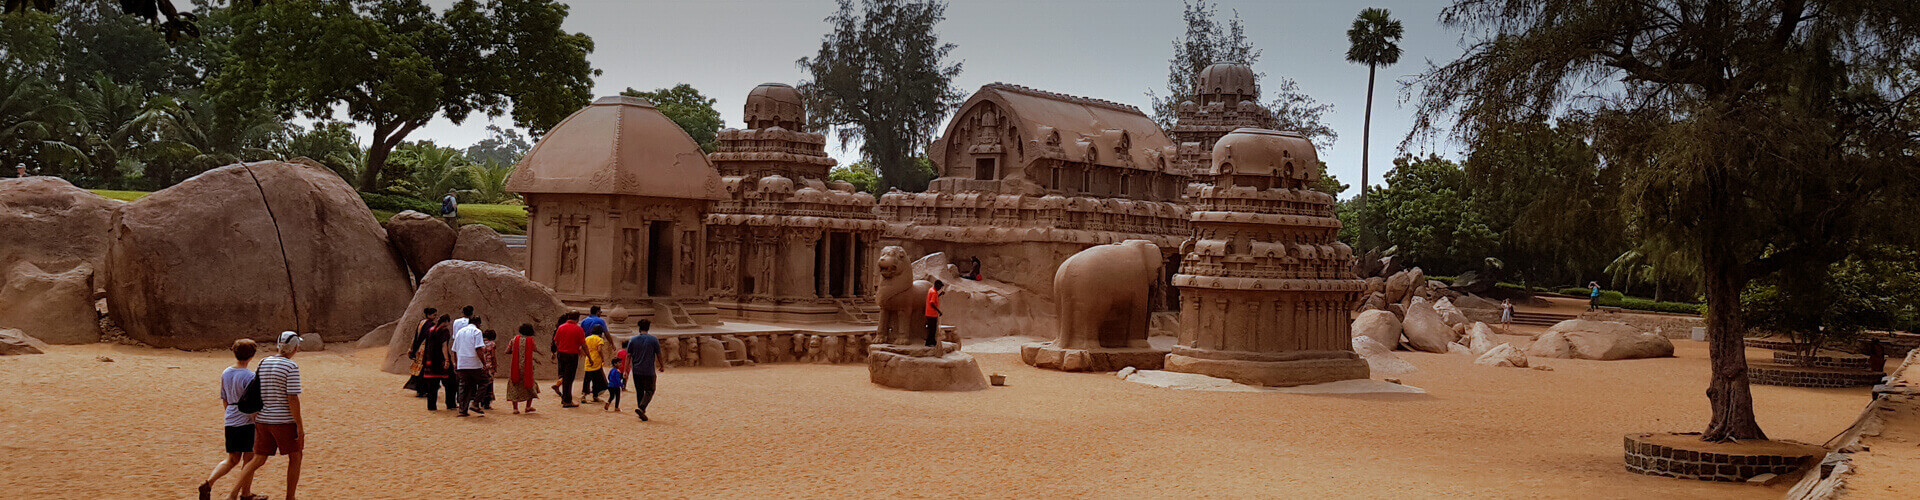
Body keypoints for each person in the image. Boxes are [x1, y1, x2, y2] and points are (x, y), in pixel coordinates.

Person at [232, 332, 305, 500]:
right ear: (294, 348)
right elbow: (292, 398)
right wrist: (299, 425)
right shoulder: (291, 367)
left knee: (257, 459)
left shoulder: (264, 362)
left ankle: (232, 494)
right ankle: (290, 497)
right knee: (296, 456)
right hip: (283, 421)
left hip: (263, 419)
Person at [200, 339, 258, 500]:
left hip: (231, 418)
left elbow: (224, 399)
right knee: (249, 458)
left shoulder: (226, 372)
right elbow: (251, 403)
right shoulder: (250, 376)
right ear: (252, 355)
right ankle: (245, 493)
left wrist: (231, 414)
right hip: (246, 421)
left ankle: (209, 483)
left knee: (232, 459)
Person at [626, 320, 664, 421]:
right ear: (648, 328)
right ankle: (642, 408)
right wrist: (662, 365)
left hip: (636, 370)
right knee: (650, 390)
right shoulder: (653, 340)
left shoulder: (633, 340)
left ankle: (640, 409)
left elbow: (628, 355)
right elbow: (658, 354)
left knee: (639, 391)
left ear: (639, 328)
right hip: (649, 370)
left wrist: (626, 370)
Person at [451, 315, 488, 417]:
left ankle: (463, 410)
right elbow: (478, 349)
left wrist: (456, 363)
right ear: (478, 323)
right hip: (474, 363)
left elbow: (454, 350)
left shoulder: (459, 332)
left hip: (462, 363)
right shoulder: (477, 332)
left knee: (464, 386)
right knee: (484, 381)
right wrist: (484, 363)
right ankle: (475, 403)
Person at [420, 315, 458, 411]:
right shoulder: (444, 331)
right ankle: (451, 404)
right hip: (440, 361)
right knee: (451, 383)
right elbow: (444, 346)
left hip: (430, 360)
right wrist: (447, 360)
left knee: (432, 386)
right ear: (446, 322)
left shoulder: (431, 330)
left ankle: (431, 406)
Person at [549, 313, 585, 407]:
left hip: (561, 354)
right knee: (569, 378)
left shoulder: (561, 327)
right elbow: (583, 344)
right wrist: (588, 355)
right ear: (577, 319)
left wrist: (560, 348)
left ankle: (565, 398)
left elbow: (556, 341)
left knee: (564, 376)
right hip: (572, 355)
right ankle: (567, 401)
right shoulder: (578, 329)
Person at [506, 324, 541, 414]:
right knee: (530, 385)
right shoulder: (531, 340)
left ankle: (515, 408)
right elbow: (535, 349)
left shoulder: (514, 340)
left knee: (515, 386)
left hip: (516, 366)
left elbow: (507, 351)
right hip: (527, 367)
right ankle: (528, 406)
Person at [405, 307, 438, 397]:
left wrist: (413, 349)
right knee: (424, 370)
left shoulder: (421, 322)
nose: (435, 316)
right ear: (429, 315)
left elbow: (416, 336)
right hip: (425, 350)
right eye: (434, 315)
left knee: (419, 370)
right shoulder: (430, 325)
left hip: (418, 349)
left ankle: (420, 389)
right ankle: (422, 389)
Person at [478, 329, 498, 411]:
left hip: (480, 365)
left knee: (481, 384)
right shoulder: (492, 344)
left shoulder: (480, 343)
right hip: (489, 366)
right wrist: (495, 365)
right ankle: (487, 403)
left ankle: (480, 401)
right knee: (489, 384)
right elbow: (493, 356)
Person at [925, 280, 946, 347]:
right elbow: (932, 303)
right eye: (940, 286)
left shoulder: (932, 290)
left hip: (929, 313)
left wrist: (940, 294)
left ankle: (933, 341)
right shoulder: (934, 292)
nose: (940, 288)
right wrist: (939, 311)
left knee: (932, 328)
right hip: (932, 314)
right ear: (937, 285)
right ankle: (928, 342)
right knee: (932, 329)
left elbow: (934, 299)